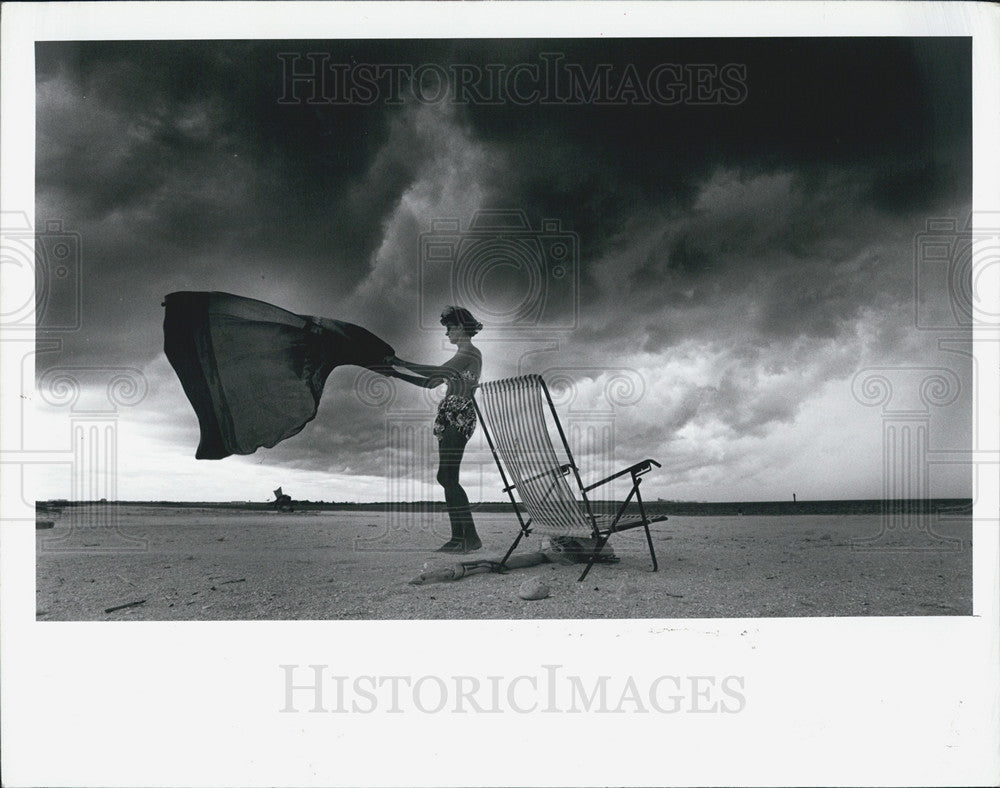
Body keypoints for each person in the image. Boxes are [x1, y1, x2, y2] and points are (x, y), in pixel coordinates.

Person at [386, 306, 483, 553]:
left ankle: (466, 538)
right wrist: (395, 374)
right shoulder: (463, 354)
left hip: (460, 412)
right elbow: (431, 383)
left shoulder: (470, 352)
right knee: (446, 477)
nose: (447, 332)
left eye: (450, 327)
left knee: (447, 476)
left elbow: (438, 373)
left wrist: (400, 362)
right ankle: (463, 537)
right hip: (449, 413)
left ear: (461, 327)